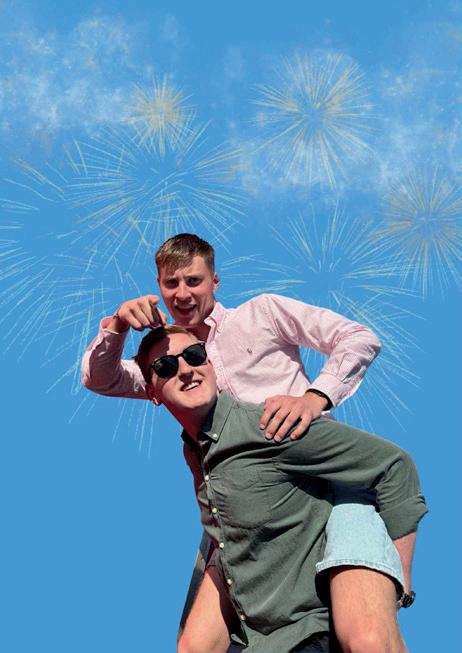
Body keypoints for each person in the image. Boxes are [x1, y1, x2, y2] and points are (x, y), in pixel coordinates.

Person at [82, 233, 417, 652]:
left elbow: (358, 338)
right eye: (171, 283)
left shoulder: (262, 314)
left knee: (367, 636)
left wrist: (314, 398)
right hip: (243, 512)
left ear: (215, 281)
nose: (182, 293)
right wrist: (117, 325)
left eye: (193, 280)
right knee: (193, 645)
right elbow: (100, 378)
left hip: (322, 482)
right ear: (159, 287)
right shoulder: (169, 361)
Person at [133, 325, 427, 653]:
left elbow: (394, 464)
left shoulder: (269, 426)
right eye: (166, 366)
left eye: (194, 355)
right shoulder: (195, 453)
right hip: (255, 641)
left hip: (307, 636)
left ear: (211, 364)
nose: (186, 369)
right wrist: (114, 329)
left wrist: (398, 582)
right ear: (152, 393)